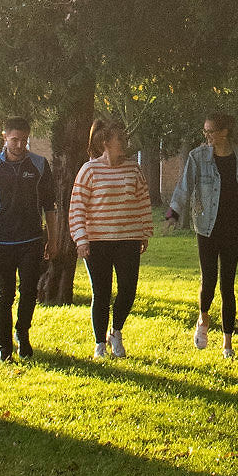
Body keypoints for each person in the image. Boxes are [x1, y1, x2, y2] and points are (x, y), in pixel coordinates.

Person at [165, 108, 238, 359]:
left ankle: (227, 343)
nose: (207, 136)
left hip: (232, 226)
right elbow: (184, 187)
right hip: (206, 226)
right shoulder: (198, 157)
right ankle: (203, 319)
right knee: (209, 278)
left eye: (211, 131)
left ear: (225, 132)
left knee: (228, 284)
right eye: (205, 131)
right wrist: (172, 215)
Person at [0, 116, 54, 362]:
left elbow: (50, 206)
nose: (19, 145)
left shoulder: (39, 165)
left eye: (24, 140)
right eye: (14, 140)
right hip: (2, 241)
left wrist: (53, 238)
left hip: (32, 240)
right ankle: (4, 348)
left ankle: (22, 332)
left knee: (29, 291)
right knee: (5, 295)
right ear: (5, 138)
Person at [68, 116, 152, 361]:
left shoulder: (133, 169)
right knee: (101, 293)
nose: (124, 143)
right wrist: (81, 239)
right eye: (120, 139)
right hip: (97, 242)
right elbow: (77, 207)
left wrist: (143, 232)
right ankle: (99, 344)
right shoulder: (89, 170)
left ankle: (116, 331)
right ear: (105, 142)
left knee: (128, 289)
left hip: (127, 240)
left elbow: (142, 201)